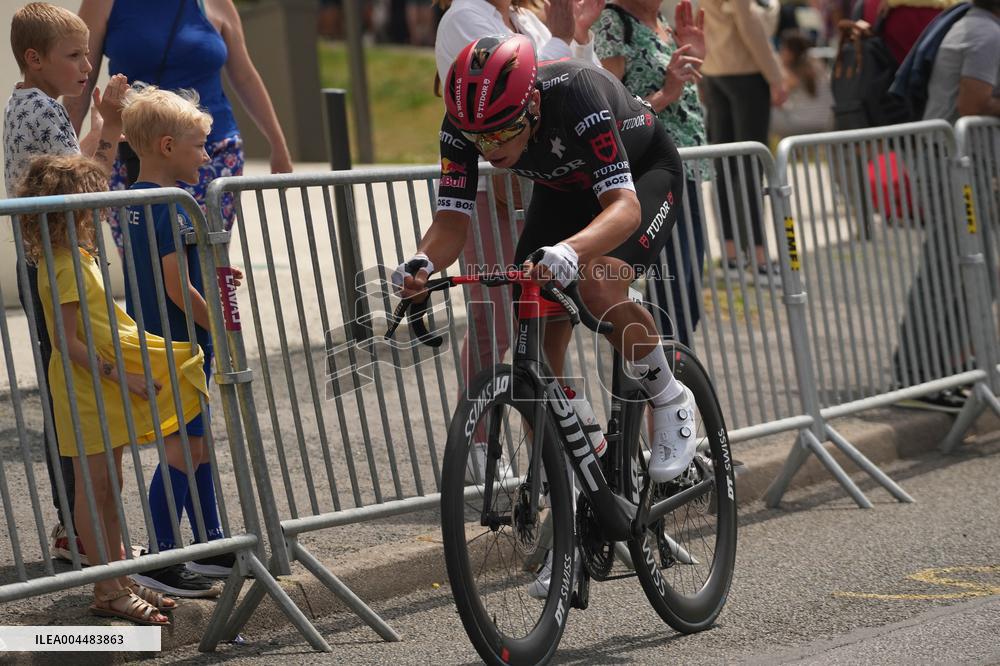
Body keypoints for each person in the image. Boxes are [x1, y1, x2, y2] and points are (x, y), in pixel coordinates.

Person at [395, 34, 697, 593]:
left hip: (642, 176)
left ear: (532, 103)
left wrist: (570, 251)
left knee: (599, 284)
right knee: (531, 323)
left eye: (504, 130)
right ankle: (586, 462)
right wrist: (419, 262)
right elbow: (451, 225)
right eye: (477, 135)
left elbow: (624, 208)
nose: (488, 146)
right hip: (563, 191)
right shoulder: (462, 124)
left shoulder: (575, 93)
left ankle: (667, 394)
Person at [20, 154, 210, 624]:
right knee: (95, 485)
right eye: (94, 200)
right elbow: (66, 341)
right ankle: (107, 588)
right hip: (86, 388)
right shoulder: (62, 264)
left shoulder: (74, 257)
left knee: (110, 485)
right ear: (74, 210)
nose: (103, 208)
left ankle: (120, 577)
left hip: (97, 386)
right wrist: (121, 375)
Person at [434, 0, 604, 479]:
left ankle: (554, 456)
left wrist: (580, 36)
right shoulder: (465, 16)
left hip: (539, 183)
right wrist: (558, 35)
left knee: (545, 326)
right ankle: (479, 443)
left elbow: (575, 87)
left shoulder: (527, 18)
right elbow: (519, 85)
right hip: (490, 190)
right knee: (497, 323)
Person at [4, 2, 131, 565]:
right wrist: (110, 127)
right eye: (74, 55)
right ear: (35, 59)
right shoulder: (45, 108)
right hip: (57, 262)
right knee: (79, 400)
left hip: (44, 261)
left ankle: (80, 530)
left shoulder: (24, 101)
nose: (87, 64)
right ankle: (86, 536)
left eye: (88, 53)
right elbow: (86, 184)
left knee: (72, 395)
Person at [119, 85, 241, 597]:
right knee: (180, 449)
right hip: (178, 345)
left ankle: (209, 541)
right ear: (167, 147)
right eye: (198, 147)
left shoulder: (134, 201)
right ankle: (165, 553)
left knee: (194, 443)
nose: (206, 156)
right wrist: (220, 324)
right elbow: (177, 286)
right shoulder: (170, 206)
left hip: (164, 343)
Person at [65, 0, 294, 253]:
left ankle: (208, 294)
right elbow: (80, 83)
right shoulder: (103, 3)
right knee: (146, 260)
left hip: (211, 152)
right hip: (135, 154)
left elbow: (246, 76)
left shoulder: (216, 3)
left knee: (206, 258)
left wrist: (279, 146)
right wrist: (66, 157)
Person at [893, 0, 1000, 412]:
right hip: (950, 165)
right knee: (945, 270)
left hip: (957, 165)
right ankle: (915, 374)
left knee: (973, 273)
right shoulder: (987, 33)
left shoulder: (978, 25)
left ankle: (943, 370)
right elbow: (973, 103)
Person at [594, 0, 707, 347]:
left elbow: (686, 98)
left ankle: (669, 384)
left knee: (688, 289)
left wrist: (695, 59)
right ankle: (659, 385)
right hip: (652, 172)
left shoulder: (663, 23)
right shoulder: (614, 22)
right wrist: (667, 92)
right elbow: (609, 111)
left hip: (687, 168)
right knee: (671, 291)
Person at [700, 0, 787, 285]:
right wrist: (775, 75)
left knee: (725, 167)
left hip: (716, 70)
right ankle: (759, 259)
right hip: (745, 70)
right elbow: (749, 23)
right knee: (751, 165)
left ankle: (731, 255)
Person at [770, 29, 834, 138]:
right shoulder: (818, 65)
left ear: (789, 52)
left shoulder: (790, 72)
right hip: (826, 122)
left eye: (782, 49)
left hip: (802, 124)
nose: (780, 53)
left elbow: (776, 99)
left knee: (766, 114)